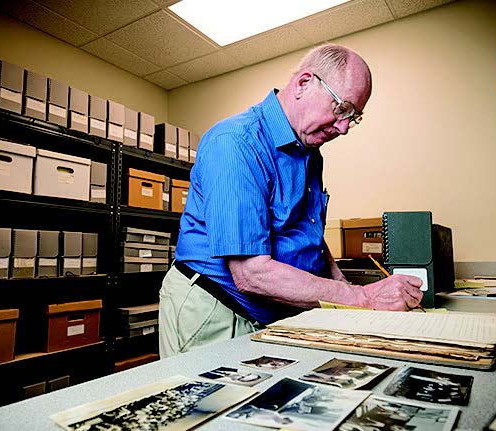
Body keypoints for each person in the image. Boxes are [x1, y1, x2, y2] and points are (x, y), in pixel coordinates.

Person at [159, 43, 424, 358]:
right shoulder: (234, 143)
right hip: (217, 308)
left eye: (353, 118)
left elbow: (306, 232)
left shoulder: (310, 152)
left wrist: (343, 288)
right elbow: (251, 274)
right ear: (303, 84)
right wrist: (361, 297)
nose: (343, 128)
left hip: (275, 311)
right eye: (342, 109)